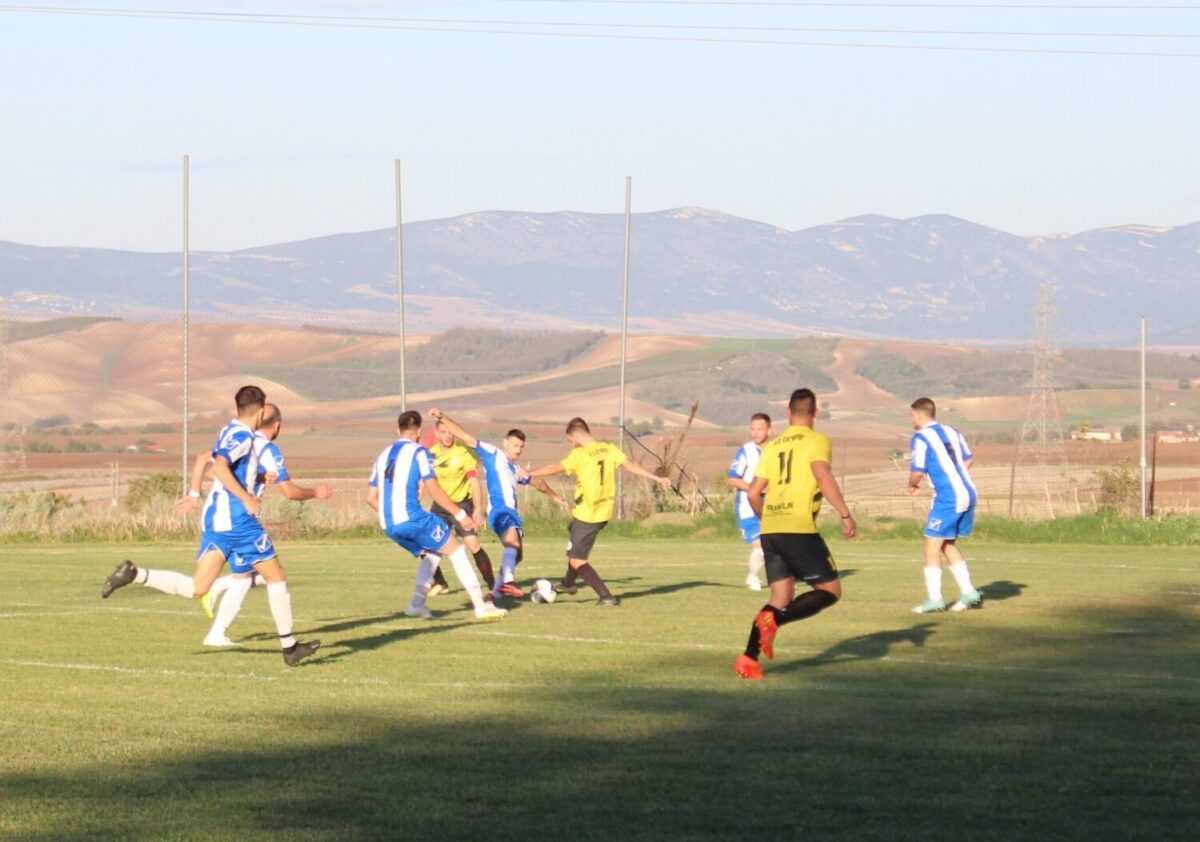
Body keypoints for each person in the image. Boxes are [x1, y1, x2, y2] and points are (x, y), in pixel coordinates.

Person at [100, 386, 321, 667]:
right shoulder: (244, 437)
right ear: (261, 412)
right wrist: (247, 498)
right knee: (276, 577)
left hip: (217, 520)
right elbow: (219, 468)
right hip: (239, 521)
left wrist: (254, 479)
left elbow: (222, 466)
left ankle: (135, 574)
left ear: (237, 409)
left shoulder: (229, 429)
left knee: (198, 587)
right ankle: (290, 647)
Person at [186, 404, 333, 646]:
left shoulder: (240, 437)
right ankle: (287, 643)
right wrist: (316, 492)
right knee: (270, 576)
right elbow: (289, 491)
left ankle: (216, 633)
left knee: (244, 577)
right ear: (277, 426)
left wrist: (195, 494)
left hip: (222, 515)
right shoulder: (267, 449)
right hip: (239, 519)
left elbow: (209, 467)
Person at [734, 388, 854, 681]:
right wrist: (844, 514)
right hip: (798, 527)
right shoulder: (817, 440)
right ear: (816, 413)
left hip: (770, 528)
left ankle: (748, 659)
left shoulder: (772, 446)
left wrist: (768, 520)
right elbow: (822, 475)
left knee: (781, 595)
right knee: (830, 591)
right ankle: (775, 620)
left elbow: (753, 493)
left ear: (788, 412)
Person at [367, 410, 506, 620]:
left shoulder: (382, 456)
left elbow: (370, 498)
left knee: (433, 554)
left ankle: (417, 604)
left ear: (398, 430)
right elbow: (433, 488)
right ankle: (481, 606)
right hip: (413, 518)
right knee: (457, 552)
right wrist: (460, 514)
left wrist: (394, 514)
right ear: (419, 432)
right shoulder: (420, 452)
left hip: (389, 525)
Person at [527, 417, 672, 606]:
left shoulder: (579, 455)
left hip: (587, 514)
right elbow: (632, 466)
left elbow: (556, 468)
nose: (572, 445)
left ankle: (606, 596)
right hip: (603, 512)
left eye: (571, 440)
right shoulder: (608, 449)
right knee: (574, 541)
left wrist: (530, 473)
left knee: (577, 560)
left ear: (576, 437)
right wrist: (658, 478)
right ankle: (568, 584)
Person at [428, 408, 560, 601]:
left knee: (517, 555)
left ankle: (495, 592)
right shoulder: (492, 453)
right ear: (505, 443)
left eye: (521, 447)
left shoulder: (514, 467)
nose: (518, 450)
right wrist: (442, 417)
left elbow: (536, 482)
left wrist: (554, 496)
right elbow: (463, 435)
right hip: (500, 510)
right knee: (512, 544)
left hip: (511, 513)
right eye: (515, 445)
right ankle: (506, 582)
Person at [907, 397, 983, 613]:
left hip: (949, 497)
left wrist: (912, 484)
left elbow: (918, 471)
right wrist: (955, 475)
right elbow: (968, 459)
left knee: (931, 545)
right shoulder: (952, 431)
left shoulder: (921, 438)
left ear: (918, 414)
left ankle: (935, 599)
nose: (911, 419)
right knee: (946, 543)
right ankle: (969, 593)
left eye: (911, 415)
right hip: (969, 491)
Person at [425, 419, 495, 597]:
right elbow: (424, 483)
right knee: (426, 545)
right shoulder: (430, 455)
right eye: (443, 432)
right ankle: (440, 582)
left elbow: (474, 481)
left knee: (473, 545)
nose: (448, 436)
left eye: (450, 432)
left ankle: (494, 587)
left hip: (463, 505)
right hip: (441, 507)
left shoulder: (463, 453)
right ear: (436, 433)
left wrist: (478, 508)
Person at [726, 413, 771, 591]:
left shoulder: (775, 450)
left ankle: (781, 579)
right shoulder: (746, 451)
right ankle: (752, 578)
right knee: (760, 548)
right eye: (752, 429)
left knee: (778, 545)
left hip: (771, 506)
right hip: (748, 507)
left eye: (759, 429)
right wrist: (755, 489)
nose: (755, 433)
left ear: (769, 430)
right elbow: (732, 478)